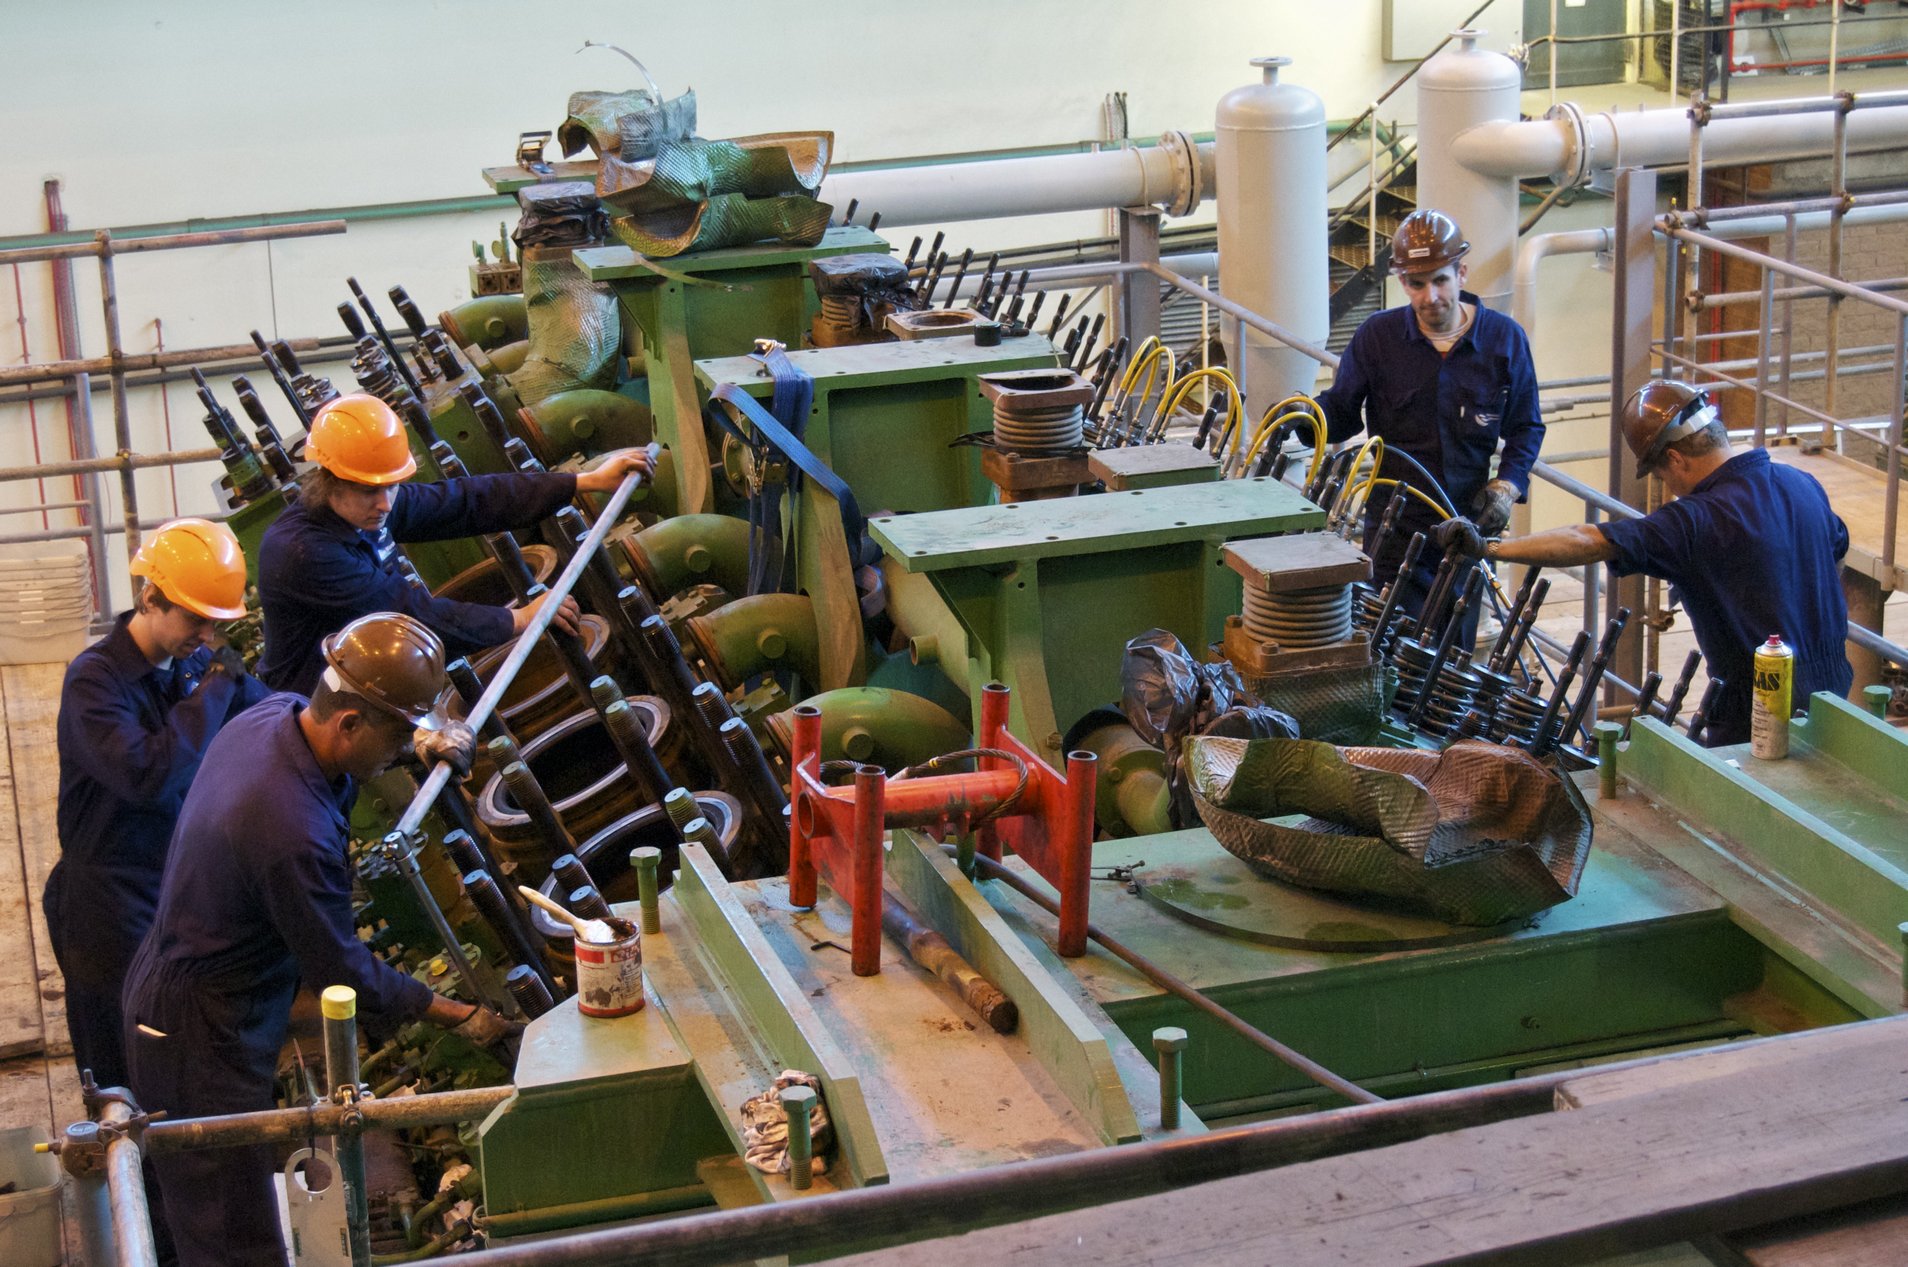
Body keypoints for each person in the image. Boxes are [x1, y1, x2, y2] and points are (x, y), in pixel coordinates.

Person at [123, 612, 507, 1266]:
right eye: (393, 737)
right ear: (350, 723)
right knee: (231, 1236)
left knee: (217, 1211)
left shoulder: (274, 717)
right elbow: (345, 970)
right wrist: (460, 1014)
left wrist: (420, 744)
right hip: (196, 1032)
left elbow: (345, 747)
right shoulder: (289, 831)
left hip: (191, 995)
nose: (394, 753)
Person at [1435, 379, 1853, 746]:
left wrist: (1488, 549)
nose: (1666, 485)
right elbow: (1836, 551)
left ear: (1675, 459)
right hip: (1834, 690)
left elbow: (1588, 540)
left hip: (1756, 708)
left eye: (1659, 474)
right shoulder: (1802, 484)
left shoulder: (1696, 520)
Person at [45, 518, 269, 1091]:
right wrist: (217, 685)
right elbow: (147, 773)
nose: (208, 635)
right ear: (150, 597)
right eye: (196, 619)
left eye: (217, 623)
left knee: (173, 1050)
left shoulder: (195, 664)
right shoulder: (93, 681)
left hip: (171, 885)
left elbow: (277, 717)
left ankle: (174, 1173)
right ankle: (128, 1172)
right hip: (106, 901)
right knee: (121, 1063)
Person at [257, 391, 652, 694]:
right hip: (307, 709)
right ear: (329, 480)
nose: (384, 504)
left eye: (392, 487)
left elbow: (465, 501)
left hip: (358, 688)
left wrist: (584, 481)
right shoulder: (303, 554)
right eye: (368, 491)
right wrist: (520, 618)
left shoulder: (368, 505)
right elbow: (410, 617)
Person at [1316, 208, 1544, 632]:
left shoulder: (1503, 340)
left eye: (1440, 279)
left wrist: (1507, 487)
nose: (1430, 296)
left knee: (1449, 654)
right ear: (1401, 281)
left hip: (1467, 526)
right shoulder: (1378, 339)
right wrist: (1303, 416)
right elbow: (1342, 412)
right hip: (1393, 528)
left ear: (1462, 272)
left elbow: (1526, 427)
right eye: (1416, 284)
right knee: (1384, 647)